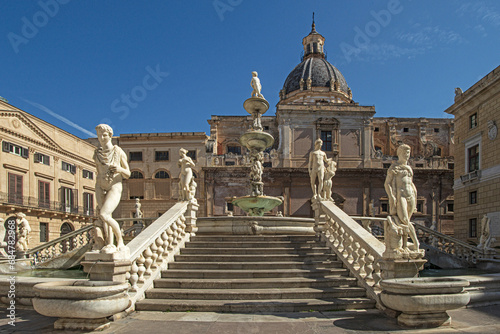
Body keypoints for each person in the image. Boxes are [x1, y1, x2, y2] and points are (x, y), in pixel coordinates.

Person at [94, 124, 130, 253]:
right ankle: (109, 244)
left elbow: (128, 173)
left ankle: (120, 241)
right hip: (100, 185)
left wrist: (119, 169)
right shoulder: (97, 153)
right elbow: (98, 171)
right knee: (104, 216)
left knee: (104, 214)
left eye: (104, 135)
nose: (101, 138)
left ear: (110, 136)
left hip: (114, 185)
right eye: (99, 135)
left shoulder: (118, 151)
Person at [384, 144, 420, 250]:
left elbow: (412, 184)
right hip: (401, 196)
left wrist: (416, 197)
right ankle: (416, 243)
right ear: (399, 153)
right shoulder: (394, 167)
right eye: (404, 153)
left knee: (404, 222)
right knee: (404, 220)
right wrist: (391, 197)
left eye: (408, 153)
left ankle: (404, 245)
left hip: (411, 195)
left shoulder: (409, 168)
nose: (406, 155)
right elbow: (387, 184)